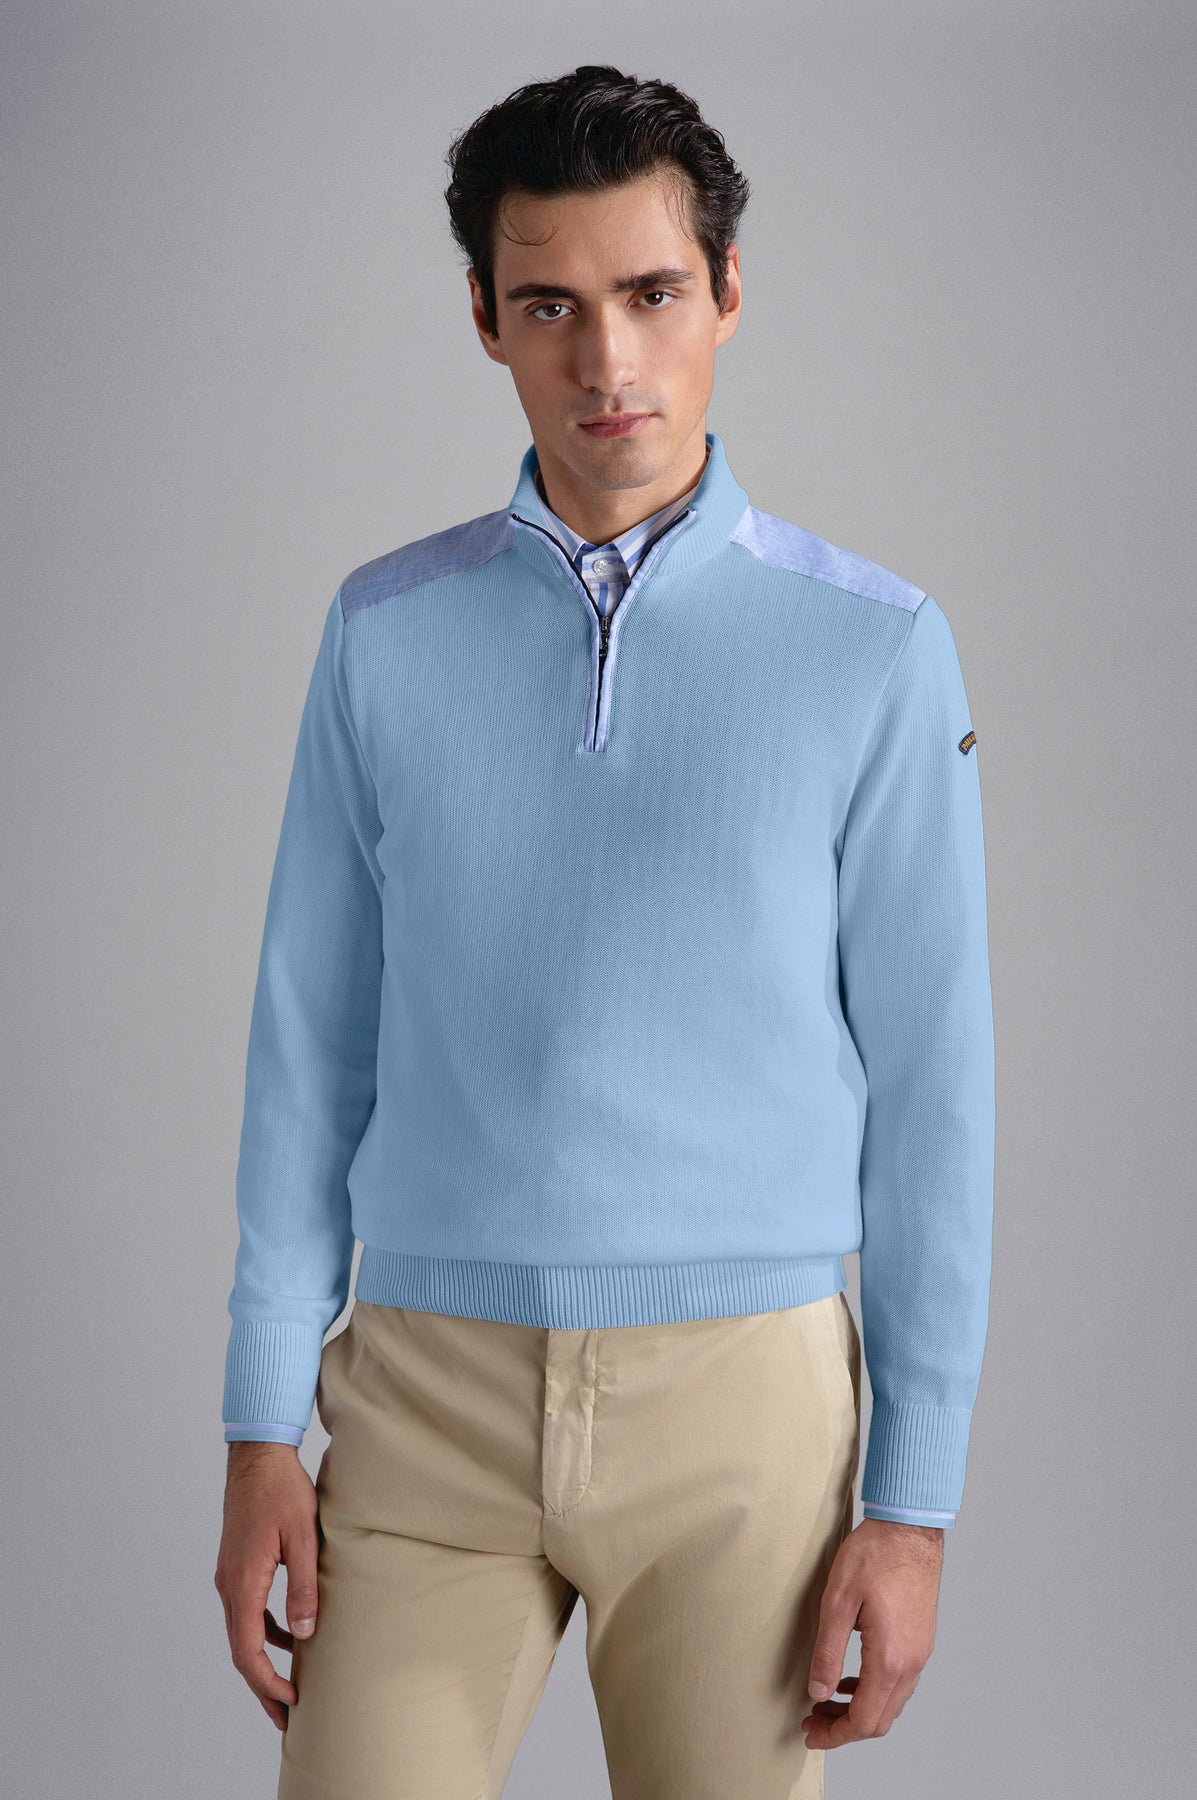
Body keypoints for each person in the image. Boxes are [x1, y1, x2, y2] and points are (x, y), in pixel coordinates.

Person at [213, 63, 995, 1799]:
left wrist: (913, 1503)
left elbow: (936, 1095)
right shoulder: (383, 631)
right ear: (484, 319)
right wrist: (261, 1420)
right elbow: (307, 1045)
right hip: (422, 1400)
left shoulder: (873, 648)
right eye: (549, 306)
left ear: (726, 291)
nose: (606, 362)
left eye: (650, 294)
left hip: (747, 1416)